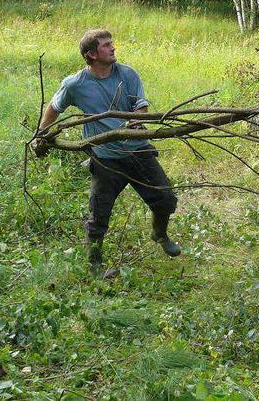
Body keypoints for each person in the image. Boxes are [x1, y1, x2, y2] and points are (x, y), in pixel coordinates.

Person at [34, 29, 181, 278]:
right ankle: (95, 265)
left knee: (165, 199)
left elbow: (141, 106)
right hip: (105, 158)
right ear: (91, 54)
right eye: (106, 45)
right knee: (98, 215)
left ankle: (160, 234)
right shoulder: (75, 85)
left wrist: (137, 122)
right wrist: (41, 135)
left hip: (138, 150)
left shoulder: (127, 74)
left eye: (112, 43)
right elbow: (54, 108)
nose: (113, 48)